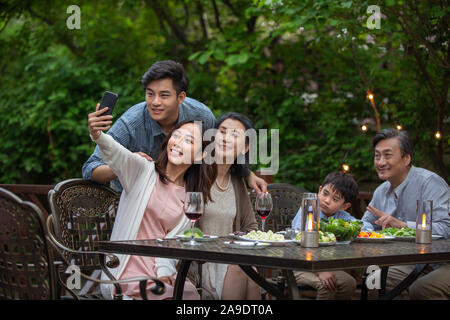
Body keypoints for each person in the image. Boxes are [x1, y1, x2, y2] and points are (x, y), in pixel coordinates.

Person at [88, 102, 217, 300]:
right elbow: (115, 152)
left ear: (200, 155)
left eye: (188, 140)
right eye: (176, 135)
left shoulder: (191, 195)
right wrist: (97, 134)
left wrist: (166, 274)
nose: (178, 142)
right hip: (125, 272)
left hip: (163, 273)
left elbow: (174, 246)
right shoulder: (142, 170)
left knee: (192, 296)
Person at [82, 60, 267, 193]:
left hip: (183, 199)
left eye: (164, 95)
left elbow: (217, 153)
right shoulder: (131, 124)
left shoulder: (201, 117)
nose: (155, 102)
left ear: (181, 97)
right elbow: (91, 168)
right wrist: (127, 164)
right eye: (150, 94)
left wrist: (247, 174)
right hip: (132, 199)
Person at [361, 128, 450, 299]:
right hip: (408, 262)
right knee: (372, 278)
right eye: (377, 156)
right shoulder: (381, 191)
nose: (380, 162)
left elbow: (446, 228)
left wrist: (403, 225)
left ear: (406, 158)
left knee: (422, 289)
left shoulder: (429, 183)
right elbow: (365, 224)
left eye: (387, 155)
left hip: (441, 262)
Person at [196, 112, 261, 300]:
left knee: (247, 268)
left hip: (231, 258)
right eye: (222, 131)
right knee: (242, 267)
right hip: (200, 261)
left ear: (245, 147)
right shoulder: (196, 173)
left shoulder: (236, 181)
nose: (225, 138)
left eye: (234, 135)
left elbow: (251, 227)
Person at [291, 172, 359, 299]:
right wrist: (320, 271)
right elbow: (300, 243)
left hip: (323, 266)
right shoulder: (308, 209)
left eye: (335, 199)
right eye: (325, 194)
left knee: (349, 283)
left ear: (344, 206)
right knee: (326, 285)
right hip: (298, 265)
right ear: (319, 191)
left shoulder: (341, 218)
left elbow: (362, 227)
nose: (327, 201)